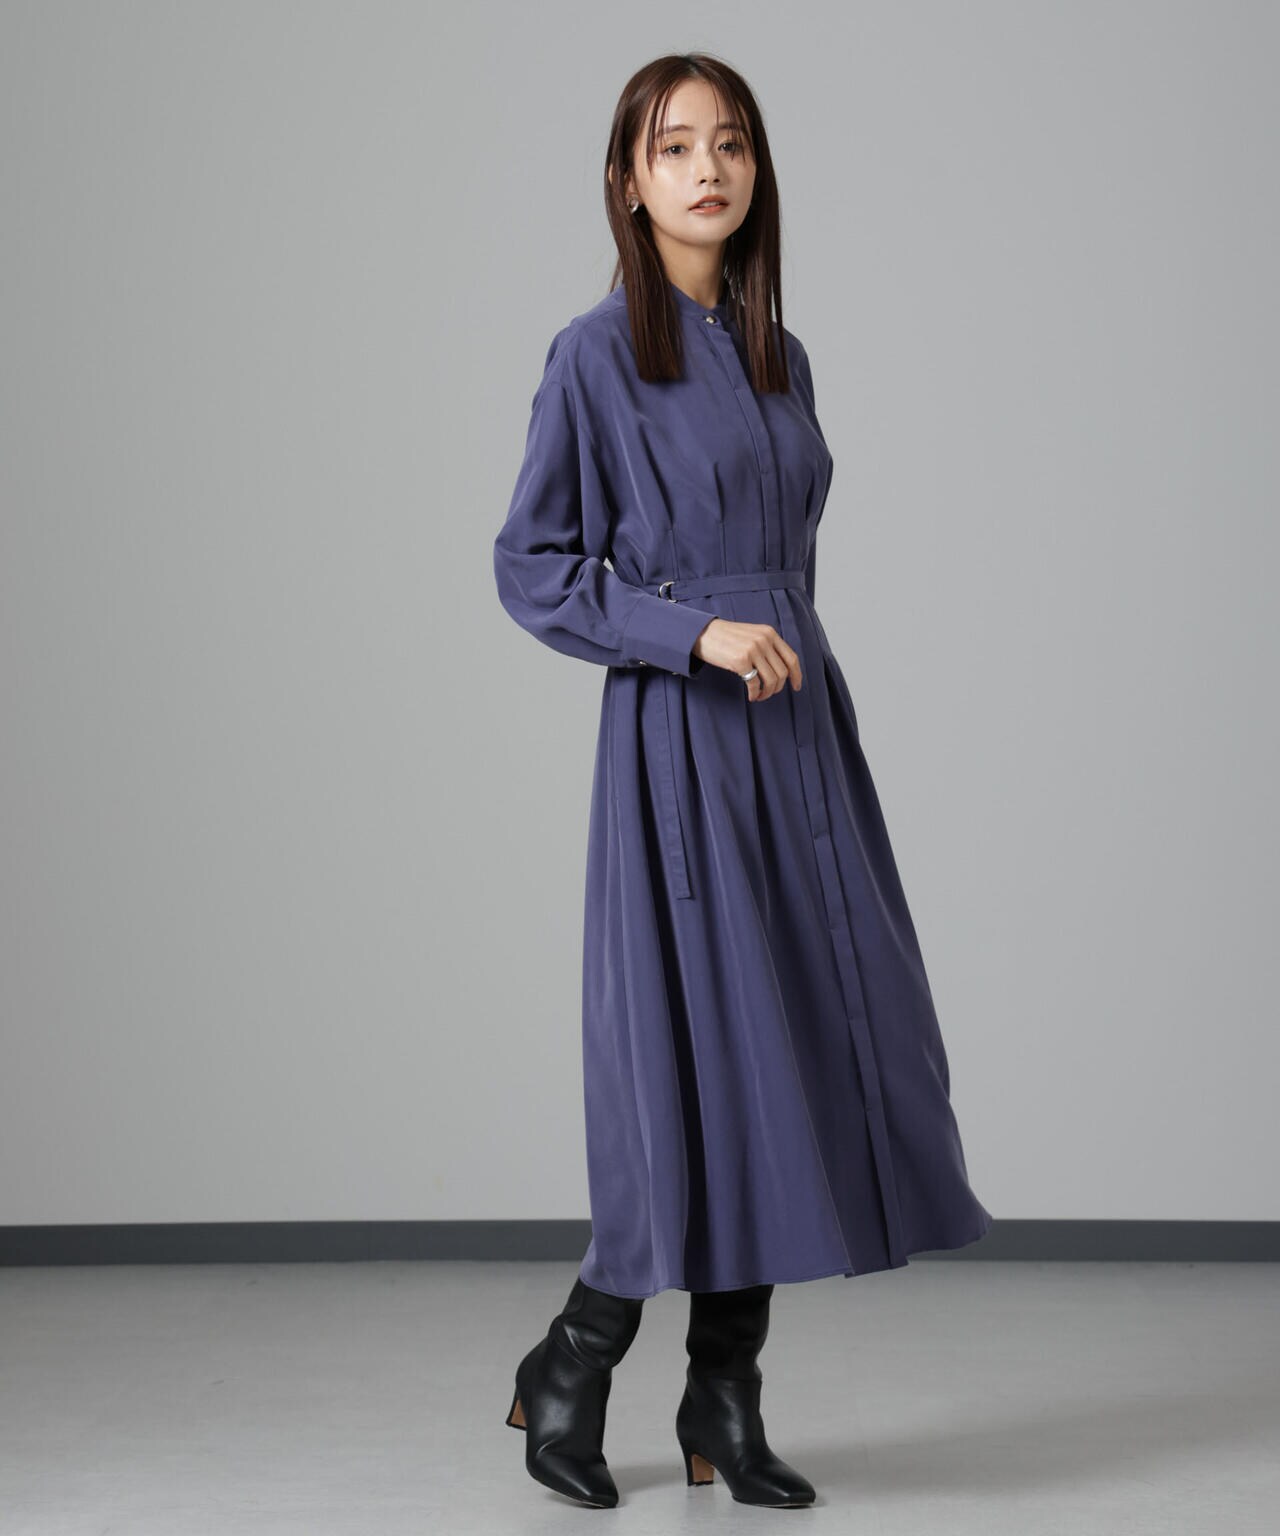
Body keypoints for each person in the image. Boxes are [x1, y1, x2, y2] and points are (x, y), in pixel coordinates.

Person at [493, 52, 994, 1510]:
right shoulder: (595, 356)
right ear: (626, 180)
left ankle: (725, 1393)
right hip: (683, 748)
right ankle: (571, 1367)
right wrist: (690, 633)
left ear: (757, 172)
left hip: (798, 738)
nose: (706, 169)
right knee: (696, 1068)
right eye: (673, 147)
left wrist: (778, 654)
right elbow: (530, 567)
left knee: (805, 1053)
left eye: (730, 144)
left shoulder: (783, 355)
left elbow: (789, 561)